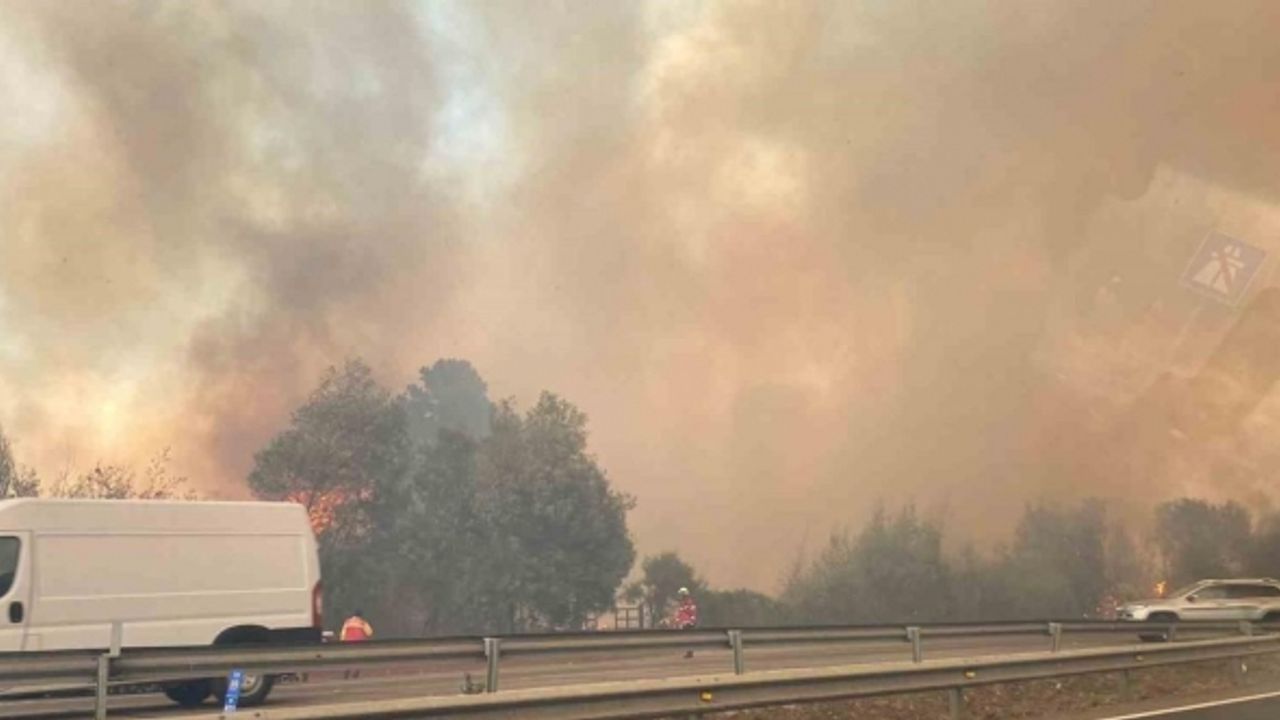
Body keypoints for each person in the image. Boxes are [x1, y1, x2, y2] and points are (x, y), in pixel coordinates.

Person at [340, 610, 373, 679]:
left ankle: (347, 672)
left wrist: (342, 641)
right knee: (358, 658)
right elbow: (369, 632)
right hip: (359, 643)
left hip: (348, 642)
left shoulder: (348, 621)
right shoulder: (362, 622)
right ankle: (355, 673)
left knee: (348, 658)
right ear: (360, 616)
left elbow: (343, 634)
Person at [673, 587, 698, 658]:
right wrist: (677, 621)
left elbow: (692, 613)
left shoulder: (689, 603)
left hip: (688, 624)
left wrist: (690, 622)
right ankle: (689, 652)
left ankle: (690, 653)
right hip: (685, 623)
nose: (680, 597)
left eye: (681, 595)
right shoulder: (683, 604)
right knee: (687, 638)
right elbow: (680, 614)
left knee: (689, 638)